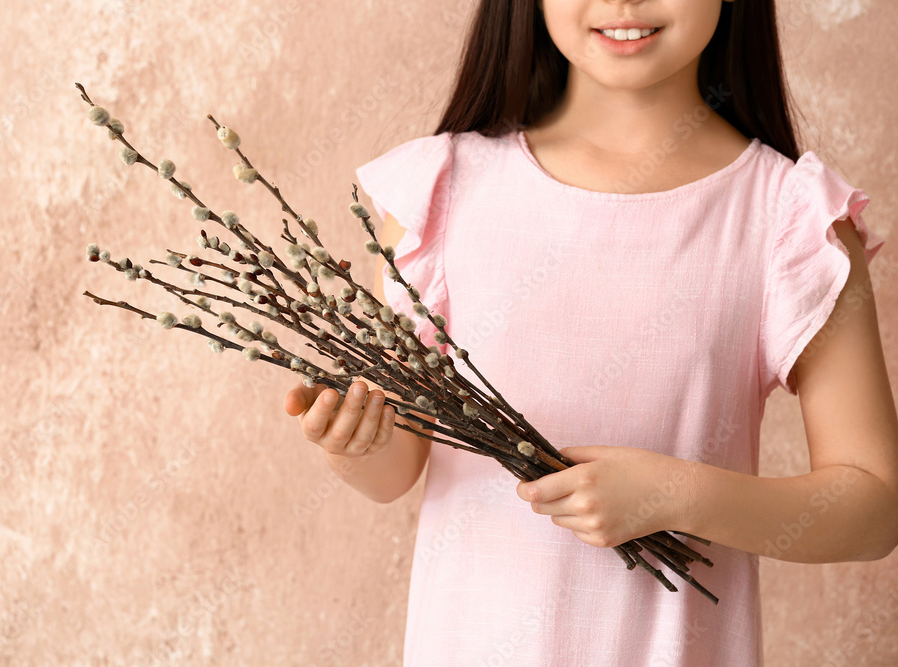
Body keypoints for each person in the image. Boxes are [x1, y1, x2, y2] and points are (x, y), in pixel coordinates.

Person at [285, 1, 897, 664]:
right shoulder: (443, 193)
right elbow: (394, 471)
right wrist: (353, 441)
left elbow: (874, 504)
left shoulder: (788, 219)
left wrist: (676, 494)